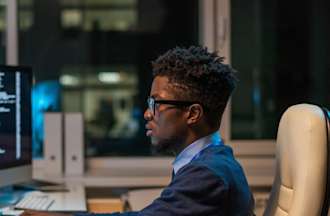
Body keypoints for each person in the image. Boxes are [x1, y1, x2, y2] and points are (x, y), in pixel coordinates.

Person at [22, 46, 254, 216]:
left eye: (157, 104)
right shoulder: (212, 159)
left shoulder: (208, 175)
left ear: (192, 114)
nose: (147, 113)